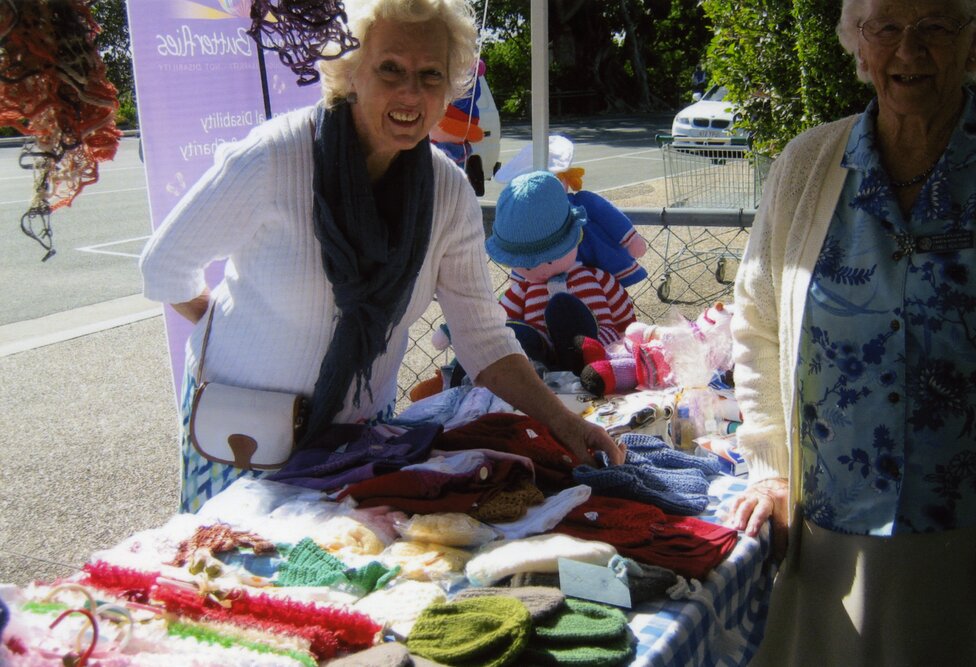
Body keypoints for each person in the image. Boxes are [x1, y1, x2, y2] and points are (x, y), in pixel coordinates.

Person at [139, 0, 624, 514]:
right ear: (350, 72)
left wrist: (566, 422)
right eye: (390, 68)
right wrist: (233, 324)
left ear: (448, 89)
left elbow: (482, 336)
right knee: (233, 583)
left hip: (357, 439)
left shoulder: (447, 193)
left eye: (430, 74)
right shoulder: (274, 156)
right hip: (244, 436)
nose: (411, 92)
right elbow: (163, 267)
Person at [727, 0, 976, 664]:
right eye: (885, 28)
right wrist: (768, 468)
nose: (908, 50)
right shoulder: (807, 164)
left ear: (974, 42)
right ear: (858, 44)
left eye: (935, 25)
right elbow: (757, 319)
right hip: (826, 542)